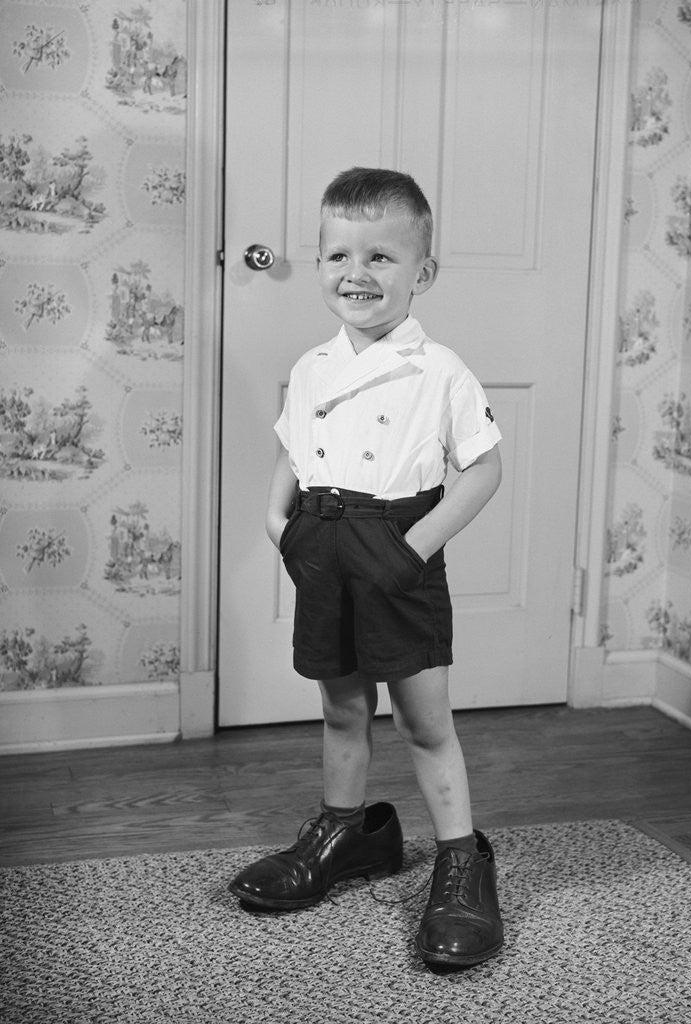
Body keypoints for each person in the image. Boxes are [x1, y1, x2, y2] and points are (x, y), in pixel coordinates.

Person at [229, 167, 504, 969]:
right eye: (338, 255)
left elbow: (483, 471)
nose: (357, 273)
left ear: (424, 272)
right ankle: (343, 833)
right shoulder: (314, 365)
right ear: (317, 264)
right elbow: (292, 448)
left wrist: (410, 551)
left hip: (396, 546)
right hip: (322, 539)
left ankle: (459, 863)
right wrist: (279, 526)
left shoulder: (440, 370)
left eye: (381, 257)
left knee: (424, 720)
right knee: (343, 708)